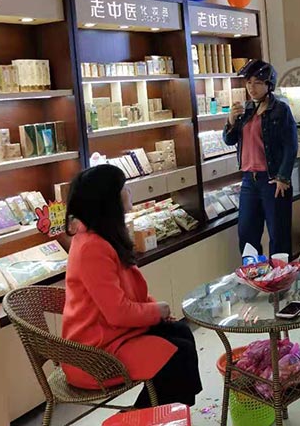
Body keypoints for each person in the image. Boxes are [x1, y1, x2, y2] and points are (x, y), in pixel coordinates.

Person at [61, 165, 202, 408]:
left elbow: (130, 294)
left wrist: (156, 312)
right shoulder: (92, 248)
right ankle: (148, 415)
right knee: (178, 354)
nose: (129, 191)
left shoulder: (103, 236)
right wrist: (156, 311)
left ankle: (165, 412)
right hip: (96, 352)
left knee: (181, 334)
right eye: (123, 187)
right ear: (109, 200)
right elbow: (117, 311)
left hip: (115, 334)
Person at [223, 59, 298, 256]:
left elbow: (291, 145)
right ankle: (253, 273)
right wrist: (231, 120)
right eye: (249, 82)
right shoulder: (246, 110)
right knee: (247, 235)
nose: (251, 87)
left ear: (268, 84)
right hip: (249, 181)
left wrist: (283, 177)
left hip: (272, 180)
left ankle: (280, 274)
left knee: (279, 236)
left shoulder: (280, 110)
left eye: (257, 82)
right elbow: (229, 140)